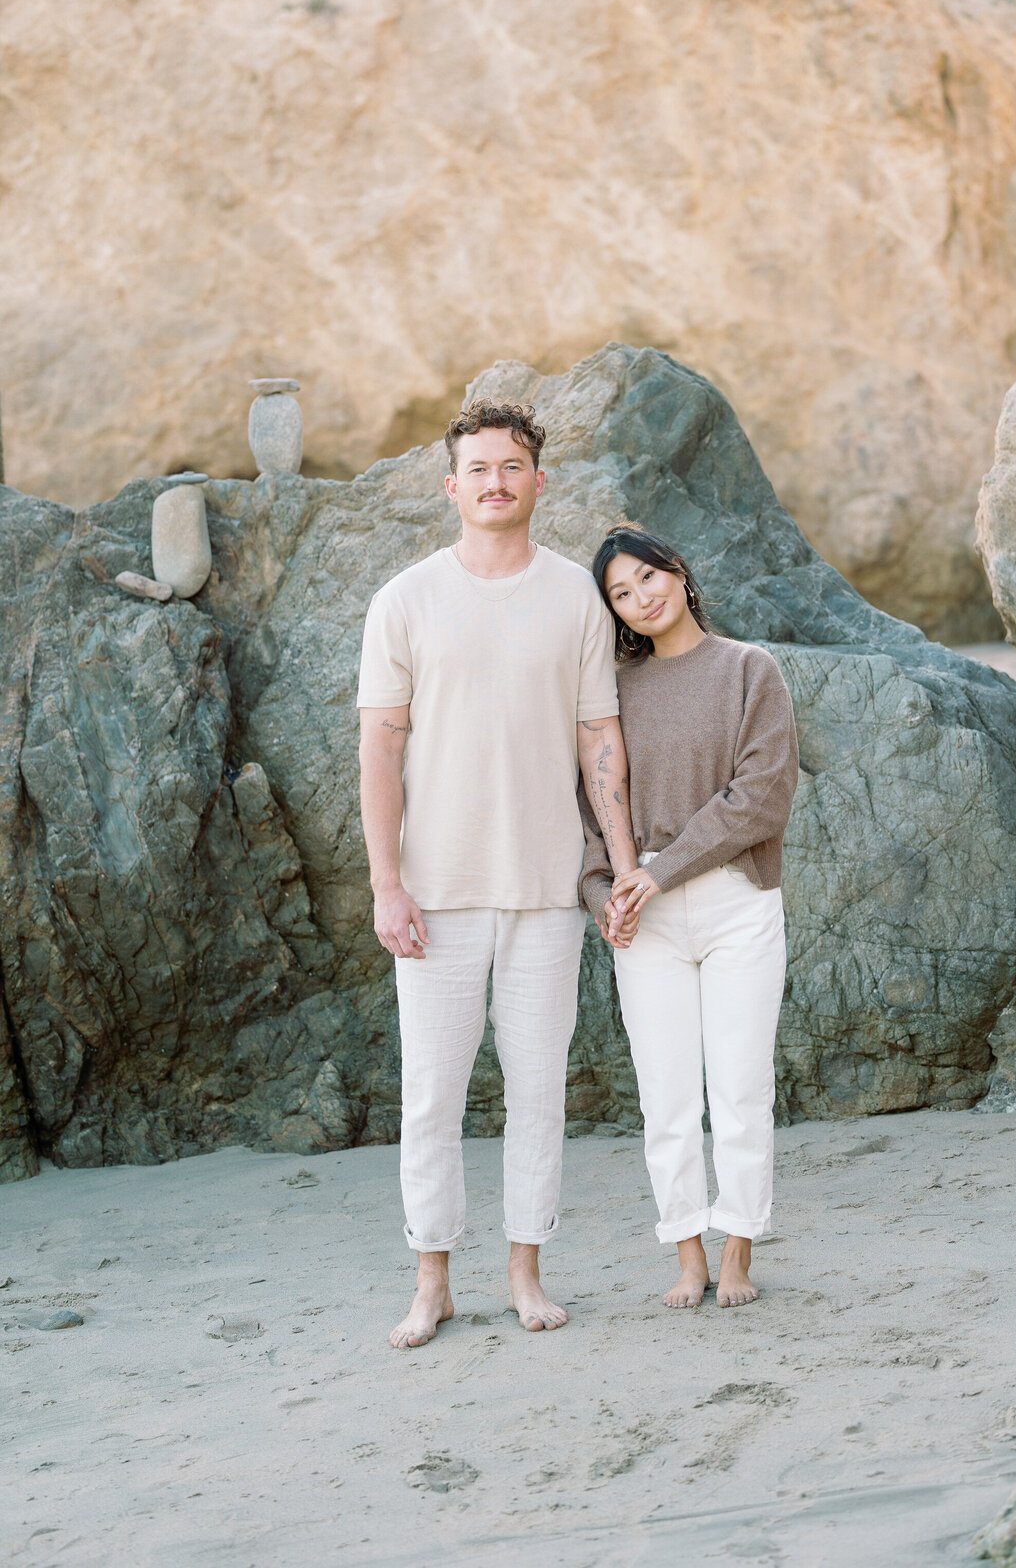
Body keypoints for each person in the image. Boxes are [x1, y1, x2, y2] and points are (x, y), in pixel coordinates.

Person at [357, 400, 638, 1348]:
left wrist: (623, 868)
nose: (495, 482)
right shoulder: (404, 600)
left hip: (546, 892)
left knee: (538, 1093)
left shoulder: (574, 599)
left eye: (512, 467)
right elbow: (378, 751)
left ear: (538, 483)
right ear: (452, 486)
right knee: (431, 1095)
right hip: (434, 897)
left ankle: (526, 1270)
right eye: (478, 468)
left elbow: (600, 738)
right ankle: (431, 1279)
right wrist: (386, 884)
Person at [581, 526, 799, 1310]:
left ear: (679, 570)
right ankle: (687, 1255)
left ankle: (738, 1248)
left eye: (649, 576)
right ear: (612, 611)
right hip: (644, 919)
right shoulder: (610, 693)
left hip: (737, 903)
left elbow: (761, 796)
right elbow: (590, 807)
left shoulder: (749, 669)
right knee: (665, 1096)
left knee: (740, 1086)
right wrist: (602, 894)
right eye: (622, 593)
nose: (643, 596)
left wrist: (660, 870)